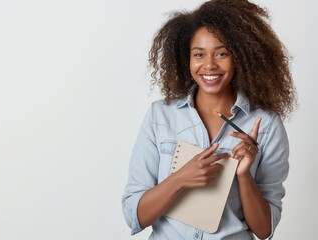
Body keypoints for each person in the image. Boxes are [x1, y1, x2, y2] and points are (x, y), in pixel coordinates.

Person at [121, 0, 296, 239]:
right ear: (187, 59)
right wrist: (180, 178)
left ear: (241, 57)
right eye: (199, 54)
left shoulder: (265, 125)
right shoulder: (160, 115)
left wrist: (244, 175)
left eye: (222, 53)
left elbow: (264, 230)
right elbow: (135, 215)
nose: (209, 65)